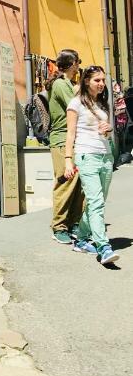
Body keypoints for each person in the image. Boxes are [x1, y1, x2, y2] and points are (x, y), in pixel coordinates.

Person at [64, 66, 119, 267]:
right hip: (86, 156)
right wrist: (68, 159)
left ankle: (79, 239)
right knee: (96, 202)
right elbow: (70, 133)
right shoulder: (75, 103)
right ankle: (103, 247)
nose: (101, 84)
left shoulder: (101, 104)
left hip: (106, 156)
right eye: (97, 80)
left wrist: (109, 129)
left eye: (103, 80)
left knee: (99, 201)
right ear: (86, 81)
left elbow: (104, 132)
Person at [47, 49, 83, 244]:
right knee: (66, 181)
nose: (79, 66)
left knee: (79, 184)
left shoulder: (69, 83)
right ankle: (59, 226)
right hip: (62, 140)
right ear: (72, 64)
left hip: (73, 139)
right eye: (78, 62)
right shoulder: (61, 84)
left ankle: (73, 223)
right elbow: (76, 105)